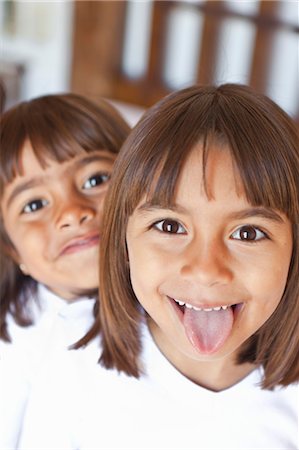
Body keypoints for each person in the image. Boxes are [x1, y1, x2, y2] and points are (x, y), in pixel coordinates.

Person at [18, 84, 298, 450]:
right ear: (123, 240)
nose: (205, 270)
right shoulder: (71, 354)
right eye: (169, 227)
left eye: (248, 233)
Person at [0, 93, 130, 449]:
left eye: (95, 180)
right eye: (35, 204)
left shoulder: (181, 312)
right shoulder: (12, 338)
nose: (72, 212)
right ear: (13, 249)